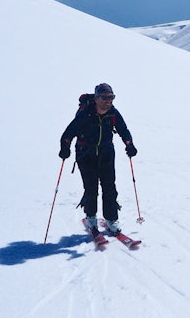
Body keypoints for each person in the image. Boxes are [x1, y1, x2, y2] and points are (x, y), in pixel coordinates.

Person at [59, 83, 137, 235]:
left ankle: (111, 219)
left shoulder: (113, 113)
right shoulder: (85, 114)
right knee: (91, 188)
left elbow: (124, 130)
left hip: (106, 153)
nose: (108, 101)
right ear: (96, 99)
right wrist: (64, 148)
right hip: (85, 154)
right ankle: (91, 217)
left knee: (109, 188)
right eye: (105, 97)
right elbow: (68, 134)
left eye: (111, 97)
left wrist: (130, 145)